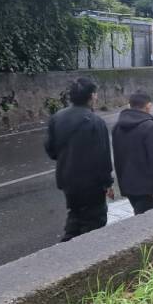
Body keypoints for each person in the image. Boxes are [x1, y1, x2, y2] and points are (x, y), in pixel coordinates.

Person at [44, 77, 114, 242]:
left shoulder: (57, 118)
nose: (96, 97)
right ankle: (84, 257)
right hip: (92, 185)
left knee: (75, 214)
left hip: (67, 181)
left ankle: (67, 248)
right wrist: (108, 183)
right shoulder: (95, 122)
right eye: (95, 94)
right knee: (94, 221)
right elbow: (103, 159)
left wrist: (67, 159)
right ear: (91, 96)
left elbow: (51, 150)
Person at [112, 92, 153, 216]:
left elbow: (118, 157)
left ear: (129, 105)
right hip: (148, 189)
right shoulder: (149, 126)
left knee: (139, 216)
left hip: (128, 186)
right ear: (148, 106)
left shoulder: (117, 127)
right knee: (146, 222)